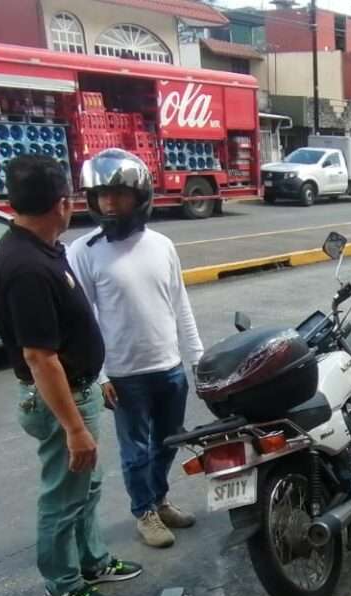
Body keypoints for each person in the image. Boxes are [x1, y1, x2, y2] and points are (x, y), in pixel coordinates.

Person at [0, 155, 142, 596]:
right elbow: (40, 357)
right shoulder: (26, 267)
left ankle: (92, 560)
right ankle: (61, 584)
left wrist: (95, 381)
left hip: (80, 388)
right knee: (62, 494)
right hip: (59, 400)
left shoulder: (44, 248)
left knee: (88, 486)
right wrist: (74, 427)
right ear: (62, 204)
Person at [68, 149, 204, 548]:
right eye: (100, 195)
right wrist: (100, 374)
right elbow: (83, 321)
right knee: (136, 450)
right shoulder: (85, 251)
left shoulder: (162, 245)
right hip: (123, 375)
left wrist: (197, 359)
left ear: (138, 195)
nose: (108, 203)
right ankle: (143, 512)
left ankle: (159, 500)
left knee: (169, 440)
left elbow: (180, 303)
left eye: (117, 194)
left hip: (169, 366)